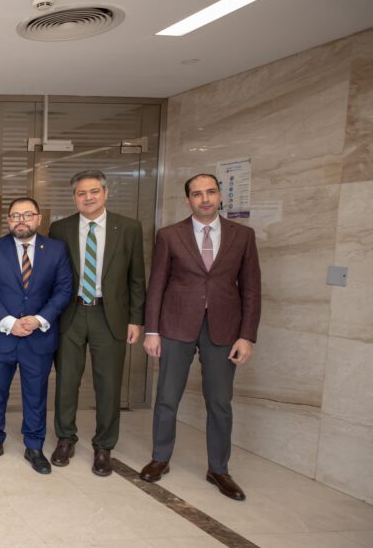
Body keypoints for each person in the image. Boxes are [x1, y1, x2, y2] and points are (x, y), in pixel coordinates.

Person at [140, 173, 261, 501]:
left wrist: (247, 336)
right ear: (188, 200)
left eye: (210, 192)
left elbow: (251, 289)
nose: (205, 199)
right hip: (176, 325)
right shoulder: (169, 235)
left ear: (220, 195)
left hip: (224, 329)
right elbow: (157, 285)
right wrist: (152, 330)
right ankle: (160, 458)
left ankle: (218, 469)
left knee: (220, 401)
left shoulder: (243, 236)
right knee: (167, 396)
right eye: (197, 194)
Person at [47, 170, 146, 477]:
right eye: (81, 193)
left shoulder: (128, 228)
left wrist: (136, 319)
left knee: (109, 384)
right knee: (66, 381)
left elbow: (137, 277)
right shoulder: (60, 229)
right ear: (74, 198)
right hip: (71, 313)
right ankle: (65, 438)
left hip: (110, 315)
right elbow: (53, 275)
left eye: (94, 192)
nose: (88, 197)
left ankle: (104, 445)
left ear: (105, 193)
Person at [0, 197, 73, 474]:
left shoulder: (56, 249)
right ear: (8, 220)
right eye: (15, 216)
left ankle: (34, 445)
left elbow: (64, 289)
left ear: (39, 218)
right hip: (0, 336)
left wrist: (39, 320)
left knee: (35, 394)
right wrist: (8, 321)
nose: (21, 220)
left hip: (37, 337)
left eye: (27, 215)